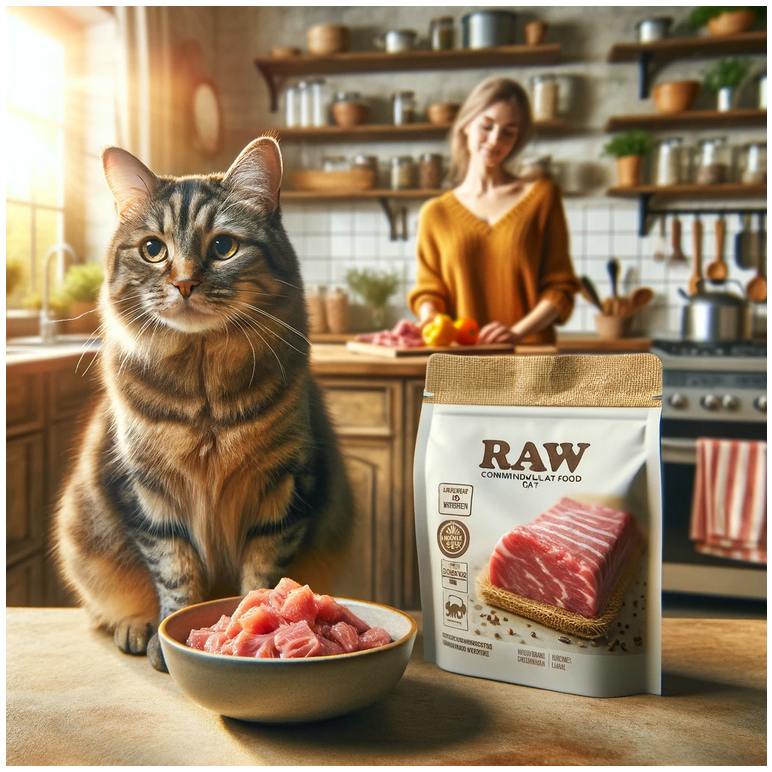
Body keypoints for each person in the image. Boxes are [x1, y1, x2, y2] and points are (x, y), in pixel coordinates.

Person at [408, 77, 580, 345]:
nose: (495, 140)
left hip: (529, 363)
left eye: (508, 132)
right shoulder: (435, 213)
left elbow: (561, 288)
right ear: (466, 125)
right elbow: (429, 291)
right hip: (461, 364)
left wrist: (517, 333)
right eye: (486, 126)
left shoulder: (542, 198)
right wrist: (430, 318)